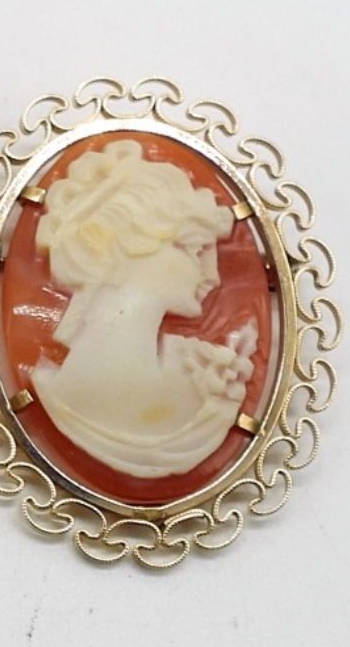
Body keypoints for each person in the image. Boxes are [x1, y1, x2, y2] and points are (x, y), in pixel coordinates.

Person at [30, 139, 257, 478]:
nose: (213, 276)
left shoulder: (203, 377)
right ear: (130, 245)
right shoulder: (204, 382)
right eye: (195, 249)